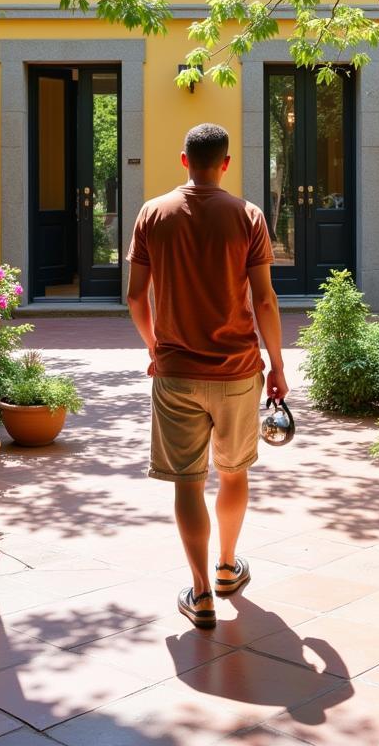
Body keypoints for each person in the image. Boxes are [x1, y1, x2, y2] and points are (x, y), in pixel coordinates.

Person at [126, 123, 288, 630]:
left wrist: (155, 348)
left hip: (175, 371)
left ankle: (199, 594)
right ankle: (225, 567)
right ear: (225, 163)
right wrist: (278, 365)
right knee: (233, 471)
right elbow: (263, 298)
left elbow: (134, 297)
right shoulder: (248, 216)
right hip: (239, 371)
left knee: (187, 483)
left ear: (184, 160)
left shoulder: (153, 214)